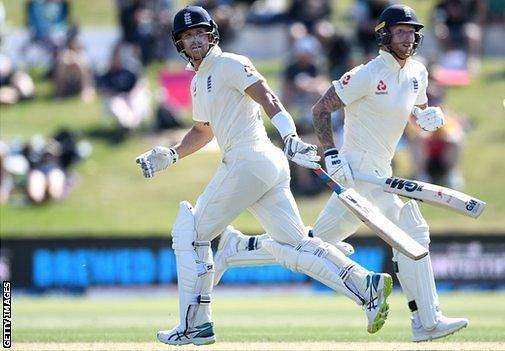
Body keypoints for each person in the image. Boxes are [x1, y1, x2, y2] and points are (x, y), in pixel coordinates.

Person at [135, 6, 393, 346]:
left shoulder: (229, 63)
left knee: (190, 234)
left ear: (211, 33)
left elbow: (268, 97)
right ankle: (365, 286)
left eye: (199, 32)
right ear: (179, 44)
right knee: (295, 245)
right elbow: (202, 131)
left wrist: (290, 137)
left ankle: (194, 325)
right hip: (260, 167)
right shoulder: (198, 83)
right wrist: (171, 154)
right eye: (187, 36)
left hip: (249, 159)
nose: (194, 40)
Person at [215, 4, 469, 342]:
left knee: (312, 245)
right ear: (384, 35)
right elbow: (321, 108)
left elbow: (412, 108)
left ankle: (238, 247)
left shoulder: (417, 73)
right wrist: (332, 154)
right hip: (357, 174)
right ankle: (426, 320)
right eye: (401, 32)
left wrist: (425, 118)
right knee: (411, 230)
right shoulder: (366, 74)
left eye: (412, 32)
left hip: (381, 172)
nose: (408, 38)